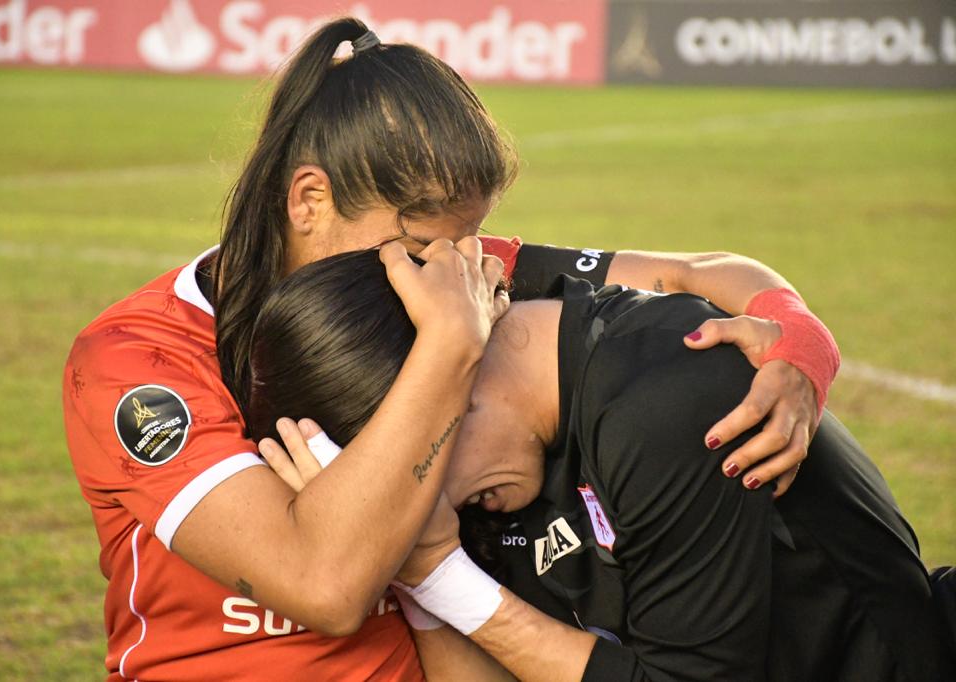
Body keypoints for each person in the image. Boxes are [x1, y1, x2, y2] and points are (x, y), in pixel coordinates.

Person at [63, 17, 840, 681]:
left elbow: (700, 272)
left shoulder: (439, 264)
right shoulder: (141, 359)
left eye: (466, 241)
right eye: (426, 241)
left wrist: (800, 345)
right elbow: (325, 584)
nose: (457, 266)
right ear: (308, 200)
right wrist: (450, 343)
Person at [249, 249, 955, 682]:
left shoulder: (671, 401)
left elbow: (697, 269)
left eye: (412, 464)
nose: (431, 504)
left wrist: (439, 573)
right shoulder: (477, 450)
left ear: (447, 375)